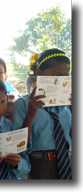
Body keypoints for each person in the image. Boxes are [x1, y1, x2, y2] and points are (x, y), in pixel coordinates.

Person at [13, 49, 72, 179]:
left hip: (68, 162)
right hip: (41, 165)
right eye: (56, 76)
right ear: (39, 74)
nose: (62, 82)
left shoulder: (66, 103)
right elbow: (19, 145)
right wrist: (30, 115)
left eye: (66, 76)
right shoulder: (23, 103)